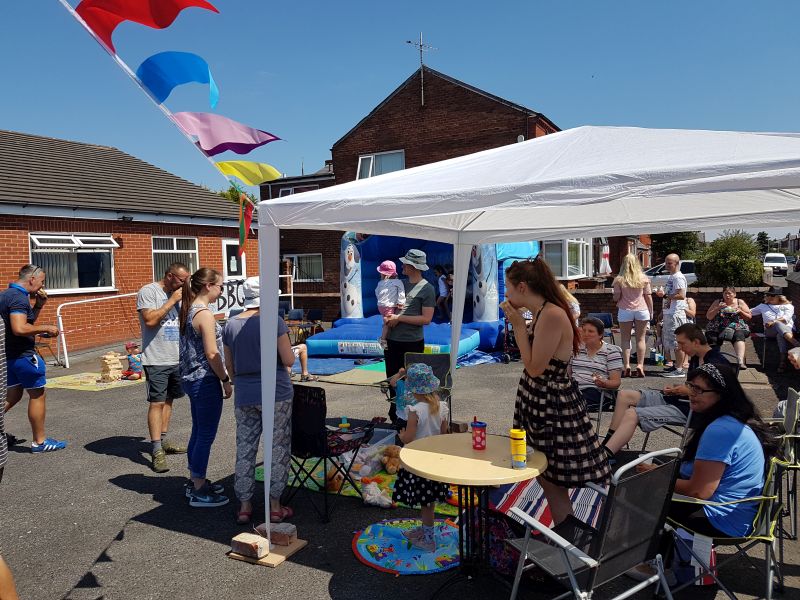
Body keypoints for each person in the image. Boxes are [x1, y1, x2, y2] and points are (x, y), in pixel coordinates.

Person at [630, 363, 776, 581]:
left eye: (699, 390)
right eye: (691, 386)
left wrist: (658, 476)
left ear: (721, 394)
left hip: (722, 518)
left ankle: (659, 565)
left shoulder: (720, 429)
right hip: (740, 512)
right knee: (655, 484)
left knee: (644, 493)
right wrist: (662, 471)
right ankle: (670, 558)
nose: (692, 394)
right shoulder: (733, 419)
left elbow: (700, 492)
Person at [501, 257, 610, 525]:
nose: (506, 294)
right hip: (541, 399)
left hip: (550, 403)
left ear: (523, 287)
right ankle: (565, 534)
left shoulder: (550, 313)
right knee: (546, 475)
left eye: (509, 288)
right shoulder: (542, 312)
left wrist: (517, 327)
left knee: (551, 476)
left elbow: (535, 367)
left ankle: (566, 535)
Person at [223, 277, 296, 525]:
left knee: (245, 448)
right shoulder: (273, 321)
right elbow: (288, 360)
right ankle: (275, 505)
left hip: (244, 392)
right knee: (277, 447)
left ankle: (244, 505)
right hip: (276, 392)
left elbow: (229, 366)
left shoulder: (230, 325)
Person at [602, 324, 731, 456]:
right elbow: (694, 386)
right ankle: (607, 443)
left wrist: (685, 390)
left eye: (682, 343)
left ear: (696, 342)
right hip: (679, 400)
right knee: (624, 395)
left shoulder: (717, 363)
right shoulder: (697, 357)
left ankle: (605, 455)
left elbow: (717, 396)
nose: (679, 348)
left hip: (693, 410)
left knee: (632, 413)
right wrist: (678, 388)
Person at [178, 267, 232, 508]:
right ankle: (199, 487)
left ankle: (195, 479)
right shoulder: (204, 314)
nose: (221, 291)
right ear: (208, 286)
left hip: (191, 378)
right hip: (204, 379)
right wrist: (225, 379)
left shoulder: (189, 309)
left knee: (198, 430)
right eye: (220, 286)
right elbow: (212, 352)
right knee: (205, 435)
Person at [0, 264, 64, 453]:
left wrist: (38, 306)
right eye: (42, 281)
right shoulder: (19, 298)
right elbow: (19, 329)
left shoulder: (6, 294)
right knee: (37, 394)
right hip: (23, 355)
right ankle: (40, 442)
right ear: (31, 279)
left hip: (9, 355)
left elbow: (26, 323)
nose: (42, 285)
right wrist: (46, 328)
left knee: (14, 395)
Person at [137, 262, 191, 473]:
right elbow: (150, 320)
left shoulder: (180, 294)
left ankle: (164, 439)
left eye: (187, 280)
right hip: (156, 358)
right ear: (170, 276)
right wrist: (172, 301)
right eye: (181, 280)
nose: (184, 284)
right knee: (157, 403)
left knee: (169, 400)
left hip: (176, 357)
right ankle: (156, 449)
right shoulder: (148, 291)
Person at [393, 363, 450, 552]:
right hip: (435, 461)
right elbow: (444, 434)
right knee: (429, 501)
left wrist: (401, 436)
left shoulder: (415, 410)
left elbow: (409, 438)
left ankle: (428, 539)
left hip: (418, 462)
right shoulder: (442, 406)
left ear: (414, 390)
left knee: (425, 502)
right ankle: (426, 528)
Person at [384, 249, 436, 424]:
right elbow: (388, 306)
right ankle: (395, 417)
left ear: (413, 266)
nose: (402, 266)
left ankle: (413, 419)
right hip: (392, 340)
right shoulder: (399, 283)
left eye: (405, 263)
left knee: (412, 381)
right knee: (392, 380)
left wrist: (399, 318)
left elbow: (426, 319)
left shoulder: (427, 288)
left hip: (412, 343)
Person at [613, 254, 654, 378]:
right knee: (640, 339)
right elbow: (648, 296)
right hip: (642, 309)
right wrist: (651, 311)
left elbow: (616, 298)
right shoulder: (644, 278)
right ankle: (640, 365)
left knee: (625, 339)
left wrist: (615, 293)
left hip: (625, 310)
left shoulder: (619, 279)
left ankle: (627, 365)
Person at [571, 317, 623, 410]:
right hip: (574, 389)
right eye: (584, 331)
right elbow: (568, 375)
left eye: (590, 331)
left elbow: (616, 383)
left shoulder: (611, 352)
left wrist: (604, 383)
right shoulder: (576, 350)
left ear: (600, 335)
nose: (586, 334)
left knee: (570, 404)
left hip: (596, 391)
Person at [656, 254, 688, 377]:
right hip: (669, 312)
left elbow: (681, 295)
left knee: (677, 343)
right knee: (672, 342)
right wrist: (662, 311)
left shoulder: (678, 277)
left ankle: (679, 370)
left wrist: (663, 296)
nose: (667, 265)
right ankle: (676, 366)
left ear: (676, 263)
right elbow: (671, 295)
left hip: (676, 314)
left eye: (670, 263)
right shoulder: (672, 277)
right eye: (666, 262)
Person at [751, 287, 798, 373]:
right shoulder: (763, 306)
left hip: (788, 331)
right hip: (770, 331)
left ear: (778, 297)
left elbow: (786, 318)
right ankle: (796, 343)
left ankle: (782, 363)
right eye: (767, 295)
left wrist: (773, 321)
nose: (767, 297)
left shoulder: (788, 306)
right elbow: (749, 312)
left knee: (780, 334)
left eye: (770, 295)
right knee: (777, 324)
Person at [704, 286, 752, 370]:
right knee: (712, 336)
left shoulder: (740, 302)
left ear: (734, 294)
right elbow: (708, 317)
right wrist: (718, 308)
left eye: (729, 293)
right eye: (725, 293)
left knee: (739, 334)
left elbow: (749, 317)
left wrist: (740, 311)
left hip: (737, 326)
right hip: (717, 326)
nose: (727, 295)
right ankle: (714, 360)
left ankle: (740, 361)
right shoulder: (718, 302)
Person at [375, 260, 406, 349]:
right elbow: (401, 292)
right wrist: (401, 302)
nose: (381, 275)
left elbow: (376, 292)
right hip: (389, 306)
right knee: (388, 323)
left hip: (381, 306)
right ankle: (383, 339)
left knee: (387, 320)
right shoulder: (398, 282)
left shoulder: (380, 283)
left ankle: (386, 323)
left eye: (381, 273)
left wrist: (380, 300)